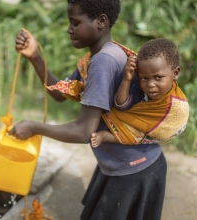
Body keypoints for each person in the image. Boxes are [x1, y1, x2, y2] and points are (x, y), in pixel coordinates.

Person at [10, 0, 167, 219]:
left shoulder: (103, 62)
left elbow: (84, 131)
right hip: (128, 163)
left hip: (132, 168)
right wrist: (34, 55)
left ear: (101, 21)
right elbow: (59, 93)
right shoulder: (99, 56)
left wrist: (34, 127)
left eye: (75, 22)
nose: (69, 29)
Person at [90, 38, 189, 147]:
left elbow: (178, 118)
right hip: (143, 129)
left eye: (158, 77)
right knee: (132, 134)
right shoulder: (141, 89)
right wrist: (127, 79)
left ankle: (105, 136)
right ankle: (105, 136)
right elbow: (121, 105)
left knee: (136, 136)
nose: (150, 84)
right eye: (144, 78)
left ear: (175, 73)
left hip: (168, 128)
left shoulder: (175, 105)